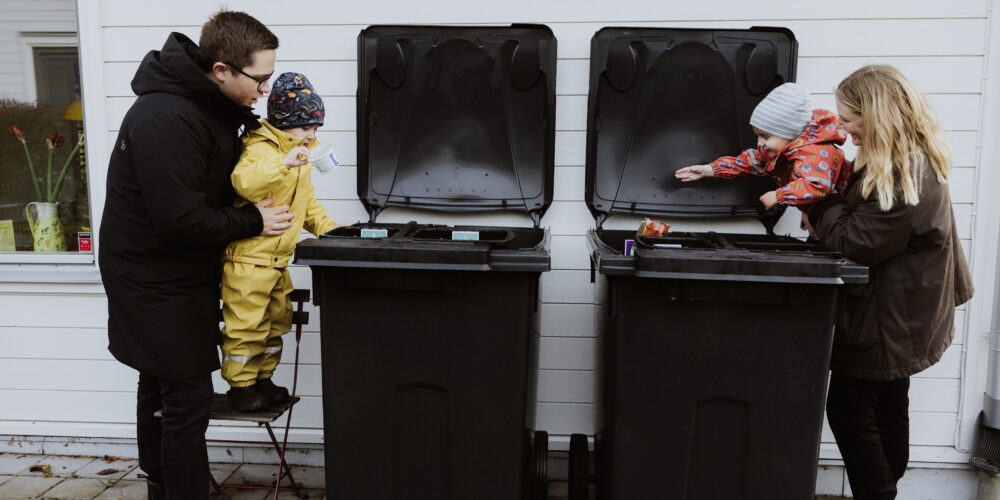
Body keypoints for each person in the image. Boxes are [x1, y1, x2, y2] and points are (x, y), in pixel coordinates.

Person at [99, 10, 294, 500]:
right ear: (222, 70)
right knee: (185, 395)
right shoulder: (167, 117)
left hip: (176, 267)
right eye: (260, 78)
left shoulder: (205, 105)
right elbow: (181, 219)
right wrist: (256, 221)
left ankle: (160, 485)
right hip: (151, 274)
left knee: (160, 383)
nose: (265, 90)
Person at [804, 65, 974, 499]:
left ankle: (878, 493)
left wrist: (819, 204)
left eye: (847, 119)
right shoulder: (901, 158)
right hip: (903, 312)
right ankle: (886, 486)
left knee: (848, 409)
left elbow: (855, 240)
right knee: (887, 404)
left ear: (875, 115)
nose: (842, 130)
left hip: (888, 319)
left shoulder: (901, 175)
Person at [221, 72, 339, 412]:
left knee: (275, 323)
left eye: (316, 130)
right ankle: (241, 385)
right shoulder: (261, 148)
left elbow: (307, 205)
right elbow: (245, 183)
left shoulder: (299, 157)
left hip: (276, 261)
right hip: (248, 261)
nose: (311, 138)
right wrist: (282, 164)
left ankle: (263, 378)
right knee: (247, 324)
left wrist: (330, 230)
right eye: (306, 130)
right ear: (285, 124)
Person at [675, 82, 851, 210]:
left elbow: (817, 186)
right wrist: (709, 170)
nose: (760, 143)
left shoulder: (817, 152)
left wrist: (778, 195)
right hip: (821, 213)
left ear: (789, 132)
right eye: (758, 136)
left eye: (765, 136)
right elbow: (746, 163)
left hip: (844, 210)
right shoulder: (778, 149)